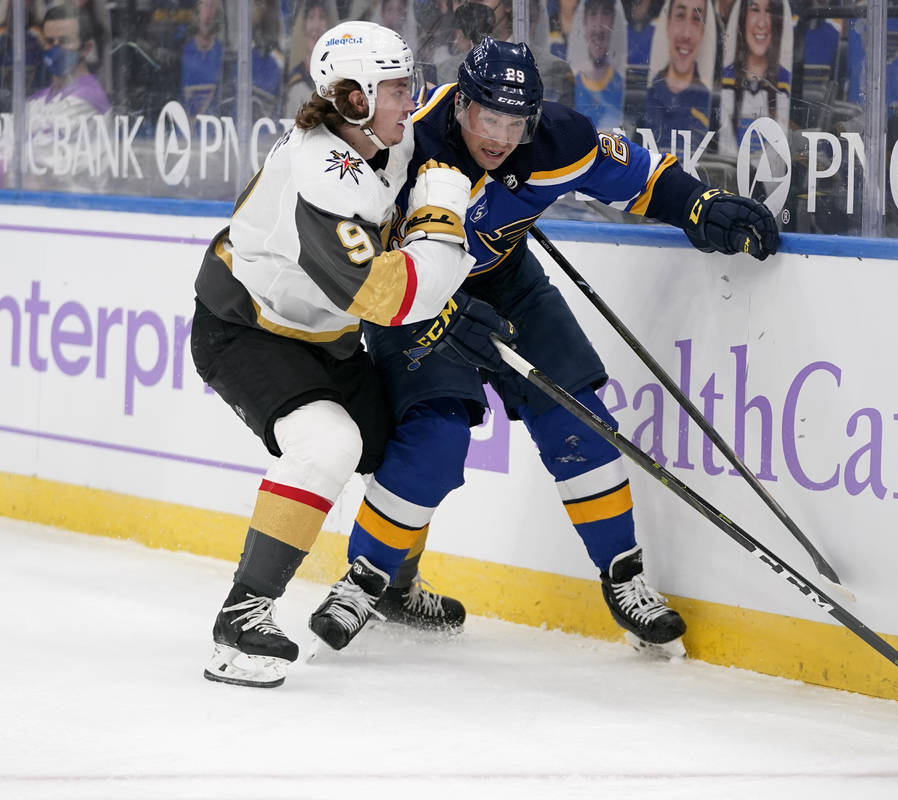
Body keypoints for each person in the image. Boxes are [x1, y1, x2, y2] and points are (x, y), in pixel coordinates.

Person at [311, 36, 779, 658]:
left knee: (578, 415)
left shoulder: (558, 139)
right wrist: (443, 311)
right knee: (435, 436)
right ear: (460, 108)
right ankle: (366, 581)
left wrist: (701, 205)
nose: (501, 136)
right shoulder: (406, 147)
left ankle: (624, 578)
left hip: (508, 285)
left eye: (515, 121)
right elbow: (361, 257)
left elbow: (639, 177)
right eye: (488, 118)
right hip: (417, 297)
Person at [192, 21, 486, 688]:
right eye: (395, 89)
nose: (407, 102)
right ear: (352, 98)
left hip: (324, 334)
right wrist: (443, 220)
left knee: (408, 454)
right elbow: (392, 297)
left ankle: (390, 584)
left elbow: (446, 127)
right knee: (328, 445)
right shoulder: (319, 175)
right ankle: (241, 618)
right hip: (246, 329)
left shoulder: (386, 132)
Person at [25, 3, 110, 180]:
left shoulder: (88, 99)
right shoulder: (38, 99)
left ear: (86, 49)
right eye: (49, 41)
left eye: (63, 41)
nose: (55, 48)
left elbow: (39, 165)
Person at [717, 0, 790, 156]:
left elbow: (779, 151)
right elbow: (724, 146)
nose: (761, 23)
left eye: (769, 11)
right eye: (755, 10)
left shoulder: (783, 79)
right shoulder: (728, 76)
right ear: (743, 17)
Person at [638, 0, 714, 148]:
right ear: (667, 24)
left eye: (697, 19)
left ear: (703, 31)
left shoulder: (711, 104)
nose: (686, 34)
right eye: (680, 15)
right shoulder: (643, 98)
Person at [571, 0, 626, 129]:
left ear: (613, 22)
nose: (599, 25)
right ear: (584, 22)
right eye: (593, 14)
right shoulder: (570, 81)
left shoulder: (622, 85)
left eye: (606, 14)